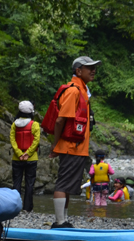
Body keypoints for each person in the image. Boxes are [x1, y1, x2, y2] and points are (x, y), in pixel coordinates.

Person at [48, 56, 99, 227]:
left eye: (94, 68)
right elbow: (60, 120)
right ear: (78, 71)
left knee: (68, 184)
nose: (93, 71)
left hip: (77, 148)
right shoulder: (74, 91)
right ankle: (59, 221)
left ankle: (64, 219)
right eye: (89, 68)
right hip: (70, 146)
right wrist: (55, 145)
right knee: (63, 183)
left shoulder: (82, 90)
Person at [10, 100, 40, 212]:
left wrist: (19, 153)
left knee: (16, 183)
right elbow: (36, 140)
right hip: (31, 158)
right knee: (29, 184)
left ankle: (15, 207)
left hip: (17, 158)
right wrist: (28, 153)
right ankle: (28, 208)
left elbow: (12, 140)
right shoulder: (35, 124)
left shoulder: (14, 124)